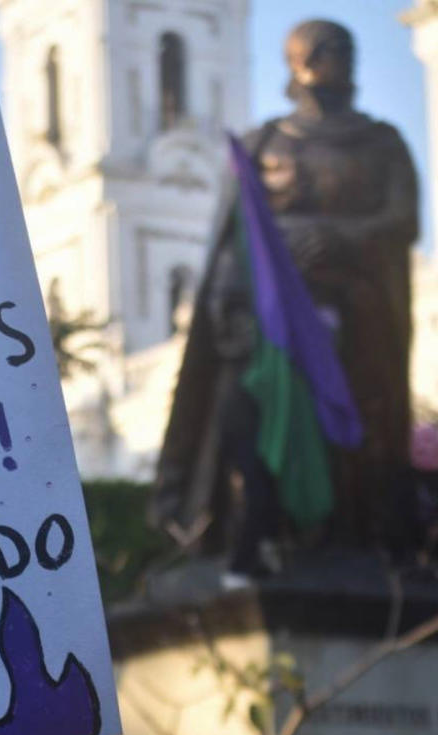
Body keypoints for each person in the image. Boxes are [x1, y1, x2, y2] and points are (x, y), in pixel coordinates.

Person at [151, 20, 419, 580]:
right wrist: (233, 315)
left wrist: (343, 237)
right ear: (297, 61)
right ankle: (266, 540)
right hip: (273, 332)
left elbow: (404, 218)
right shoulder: (264, 144)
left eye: (347, 50)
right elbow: (233, 239)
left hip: (360, 318)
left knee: (358, 429)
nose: (340, 61)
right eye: (326, 51)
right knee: (264, 434)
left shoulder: (382, 142)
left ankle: (360, 538)